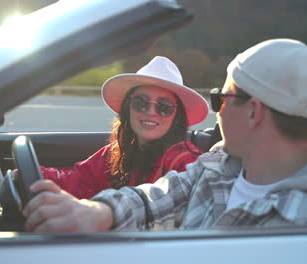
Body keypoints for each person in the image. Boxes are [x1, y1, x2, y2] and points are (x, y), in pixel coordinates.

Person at [22, 38, 307, 232]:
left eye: (220, 99)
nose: (216, 111)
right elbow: (159, 197)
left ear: (253, 112)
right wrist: (98, 213)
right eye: (141, 103)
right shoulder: (218, 164)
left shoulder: (297, 219)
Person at [38, 56, 209, 199]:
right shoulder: (116, 153)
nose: (151, 112)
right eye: (141, 102)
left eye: (164, 107)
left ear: (177, 117)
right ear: (128, 107)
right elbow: (75, 180)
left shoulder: (187, 164)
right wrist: (31, 175)